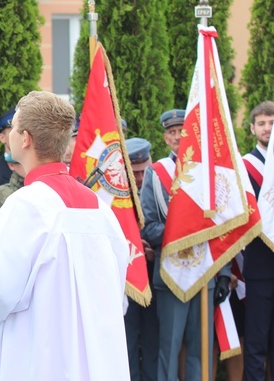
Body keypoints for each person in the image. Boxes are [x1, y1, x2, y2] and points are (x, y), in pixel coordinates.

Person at [0, 91, 130, 380]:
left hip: (43, 359)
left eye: (14, 128)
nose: (9, 136)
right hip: (96, 360)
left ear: (26, 138)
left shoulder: (25, 206)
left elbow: (0, 294)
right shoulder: (101, 210)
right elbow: (117, 296)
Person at [141, 109, 231, 381]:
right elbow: (150, 226)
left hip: (206, 273)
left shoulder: (210, 174)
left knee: (200, 350)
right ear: (165, 137)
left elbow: (223, 225)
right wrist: (183, 232)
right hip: (171, 273)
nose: (178, 136)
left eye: (183, 130)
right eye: (172, 132)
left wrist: (223, 274)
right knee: (168, 348)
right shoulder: (155, 174)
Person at [242, 100, 274, 380]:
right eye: (262, 123)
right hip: (260, 267)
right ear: (252, 128)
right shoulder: (245, 167)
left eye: (272, 123)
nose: (267, 128)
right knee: (256, 342)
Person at [124, 137, 159, 381]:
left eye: (142, 171)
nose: (138, 178)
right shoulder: (118, 195)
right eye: (133, 172)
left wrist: (155, 247)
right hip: (126, 279)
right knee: (127, 340)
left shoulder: (160, 187)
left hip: (155, 275)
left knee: (153, 339)